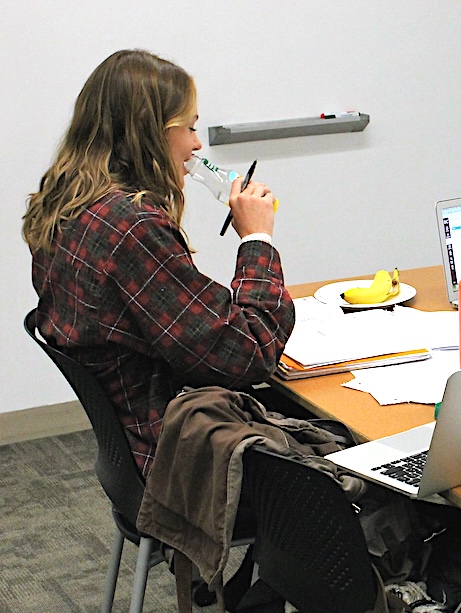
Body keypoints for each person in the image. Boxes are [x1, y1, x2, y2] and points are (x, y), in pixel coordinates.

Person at [23, 49, 295, 478]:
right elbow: (249, 353)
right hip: (175, 460)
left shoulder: (65, 205)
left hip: (128, 451)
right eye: (189, 127)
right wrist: (257, 239)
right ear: (152, 134)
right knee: (366, 468)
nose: (197, 144)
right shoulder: (132, 228)